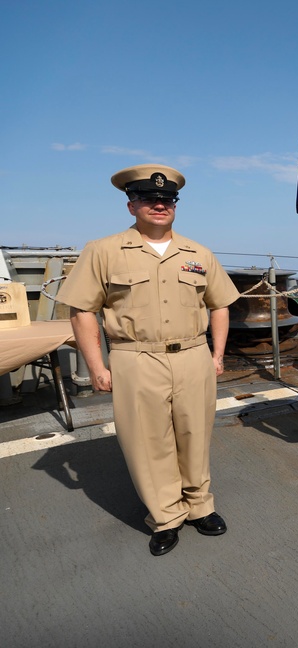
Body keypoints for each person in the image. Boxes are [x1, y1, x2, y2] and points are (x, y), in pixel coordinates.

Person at [56, 164, 240, 557]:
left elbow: (221, 303)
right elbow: (82, 310)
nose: (159, 204)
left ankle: (199, 507)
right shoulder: (103, 251)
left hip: (193, 355)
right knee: (146, 441)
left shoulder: (198, 252)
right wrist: (97, 366)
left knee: (195, 434)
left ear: (175, 204)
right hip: (135, 357)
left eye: (167, 199)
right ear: (130, 205)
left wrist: (217, 354)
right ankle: (166, 516)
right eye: (148, 198)